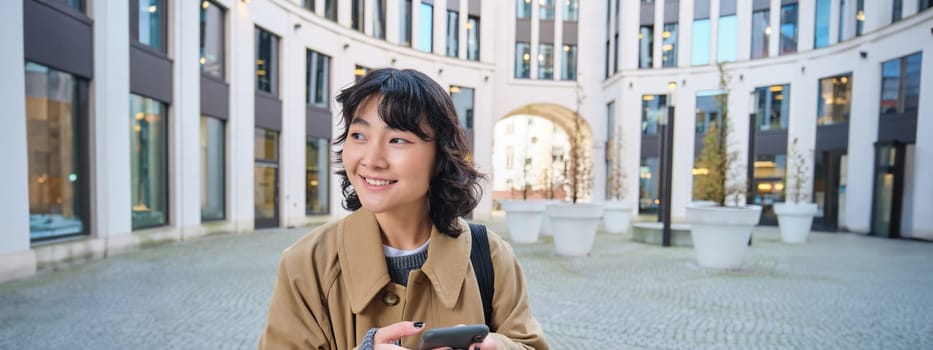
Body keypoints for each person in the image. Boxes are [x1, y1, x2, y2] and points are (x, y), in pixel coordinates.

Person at [258, 68, 549, 350]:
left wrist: (495, 347)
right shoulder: (307, 263)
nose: (372, 159)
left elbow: (528, 345)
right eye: (358, 135)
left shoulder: (490, 256)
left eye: (397, 139)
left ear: (441, 155)